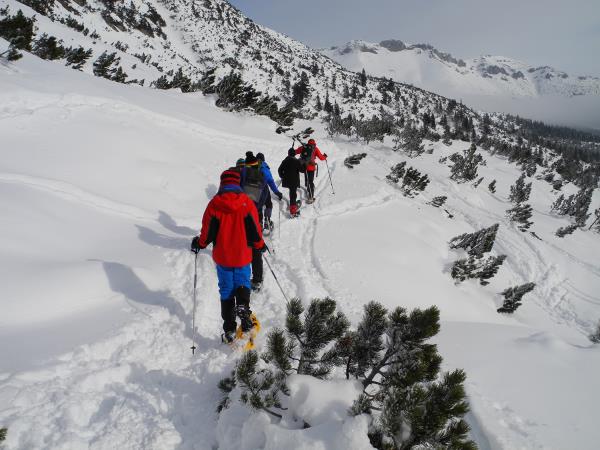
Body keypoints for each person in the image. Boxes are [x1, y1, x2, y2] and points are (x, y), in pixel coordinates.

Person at [191, 169, 265, 343]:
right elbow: (255, 231)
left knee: (225, 290)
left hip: (223, 257)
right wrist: (260, 245)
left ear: (222, 183)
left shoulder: (214, 204)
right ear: (238, 183)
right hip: (242, 256)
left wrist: (199, 244)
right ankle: (243, 308)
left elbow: (207, 233)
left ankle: (230, 329)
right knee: (242, 283)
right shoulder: (247, 203)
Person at [241, 152, 282, 291]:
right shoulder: (262, 175)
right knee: (255, 247)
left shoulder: (242, 175)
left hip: (241, 214)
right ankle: (257, 279)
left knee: (242, 244)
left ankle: (242, 277)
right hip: (256, 214)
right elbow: (265, 197)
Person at [295, 138, 327, 202]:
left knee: (307, 179)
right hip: (311, 167)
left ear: (308, 142)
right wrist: (325, 157)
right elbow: (321, 157)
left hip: (304, 166)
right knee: (311, 181)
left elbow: (295, 151)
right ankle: (311, 197)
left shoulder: (303, 147)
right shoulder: (315, 148)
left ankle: (308, 187)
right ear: (314, 143)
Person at [256, 152, 281, 231]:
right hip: (263, 188)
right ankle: (267, 220)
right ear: (263, 159)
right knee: (268, 203)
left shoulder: (252, 165)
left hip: (253, 189)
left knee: (258, 207)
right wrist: (277, 192)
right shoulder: (264, 166)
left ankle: (259, 223)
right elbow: (270, 181)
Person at [278, 147, 303, 217]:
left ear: (288, 153)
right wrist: (304, 164)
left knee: (292, 193)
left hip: (287, 181)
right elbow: (302, 170)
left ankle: (293, 205)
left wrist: (282, 176)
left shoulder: (285, 161)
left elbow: (279, 170)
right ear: (294, 154)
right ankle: (293, 211)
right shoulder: (296, 161)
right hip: (294, 181)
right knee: (293, 195)